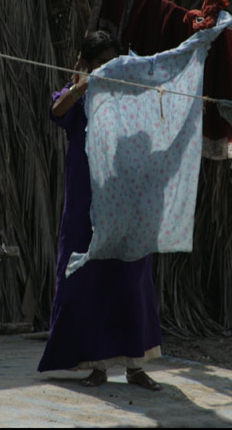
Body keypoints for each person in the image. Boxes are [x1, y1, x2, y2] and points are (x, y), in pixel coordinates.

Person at [37, 30, 163, 391]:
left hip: (126, 202)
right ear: (87, 64)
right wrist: (81, 83)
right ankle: (96, 365)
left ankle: (136, 367)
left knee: (131, 279)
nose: (107, 68)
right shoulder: (77, 98)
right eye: (99, 62)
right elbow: (55, 110)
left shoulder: (128, 96)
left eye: (112, 60)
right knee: (85, 279)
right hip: (85, 205)